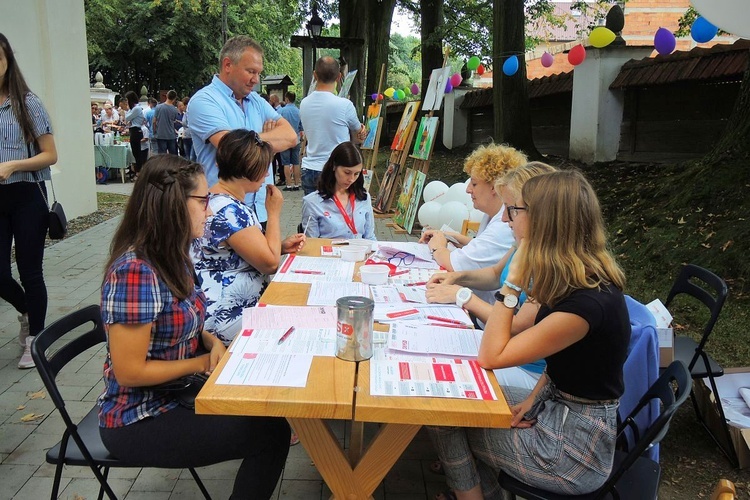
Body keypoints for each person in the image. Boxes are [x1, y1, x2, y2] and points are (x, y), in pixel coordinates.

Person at [428, 169, 630, 499]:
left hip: (573, 453)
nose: (506, 219)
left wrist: (513, 283)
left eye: (515, 210)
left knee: (444, 416)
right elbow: (570, 360)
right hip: (558, 411)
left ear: (544, 220)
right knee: (447, 401)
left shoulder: (586, 303)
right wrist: (533, 399)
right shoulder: (573, 277)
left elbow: (491, 356)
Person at [98, 155, 290, 500]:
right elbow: (128, 372)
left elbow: (188, 318)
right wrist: (202, 363)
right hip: (140, 415)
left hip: (180, 390)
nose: (210, 210)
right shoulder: (136, 271)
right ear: (173, 204)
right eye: (203, 201)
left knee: (268, 398)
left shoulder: (172, 254)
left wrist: (210, 340)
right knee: (272, 433)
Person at [425, 161, 557, 390]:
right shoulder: (525, 243)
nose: (505, 218)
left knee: (442, 381)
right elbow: (496, 274)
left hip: (527, 369)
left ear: (537, 211)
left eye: (511, 209)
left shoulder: (550, 264)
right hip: (502, 351)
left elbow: (515, 326)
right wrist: (457, 279)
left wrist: (463, 296)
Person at [192, 129, 305, 344]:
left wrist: (279, 246)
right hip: (227, 317)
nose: (266, 175)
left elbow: (229, 252)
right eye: (264, 168)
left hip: (213, 309)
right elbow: (270, 264)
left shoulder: (214, 199)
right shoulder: (231, 212)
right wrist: (273, 213)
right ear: (249, 171)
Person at [189, 35, 297, 230]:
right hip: (224, 212)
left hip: (261, 208)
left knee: (266, 259)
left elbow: (291, 137)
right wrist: (265, 143)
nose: (256, 80)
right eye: (251, 71)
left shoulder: (256, 100)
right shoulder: (204, 101)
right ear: (228, 65)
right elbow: (233, 150)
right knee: (264, 261)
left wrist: (249, 141)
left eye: (258, 73)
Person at [0, 33, 58, 369]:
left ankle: (36, 337)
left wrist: (13, 164)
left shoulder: (27, 103)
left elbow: (50, 155)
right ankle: (26, 310)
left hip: (26, 197)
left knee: (29, 270)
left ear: (8, 60)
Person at [419, 144, 526, 286]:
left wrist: (437, 248)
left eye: (474, 184)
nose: (468, 190)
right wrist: (454, 237)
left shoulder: (505, 225)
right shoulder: (496, 216)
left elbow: (455, 265)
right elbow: (486, 249)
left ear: (495, 186)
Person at [299, 56, 366, 195]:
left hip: (310, 167)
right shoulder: (344, 105)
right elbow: (358, 132)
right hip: (336, 170)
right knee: (336, 215)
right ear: (339, 77)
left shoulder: (304, 103)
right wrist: (362, 130)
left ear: (315, 75)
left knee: (314, 215)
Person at [301, 142, 375, 241]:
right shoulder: (312, 202)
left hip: (359, 253)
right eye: (347, 172)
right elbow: (312, 244)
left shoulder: (364, 197)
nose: (351, 179)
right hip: (328, 255)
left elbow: (370, 237)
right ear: (334, 166)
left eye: (356, 174)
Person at [277, 91, 302, 191]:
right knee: (296, 162)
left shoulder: (282, 111)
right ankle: (296, 184)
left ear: (287, 99)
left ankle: (288, 184)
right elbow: (301, 127)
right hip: (296, 139)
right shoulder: (298, 111)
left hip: (284, 140)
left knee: (286, 163)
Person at [124, 91, 147, 175]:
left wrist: (126, 112)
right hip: (134, 130)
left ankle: (139, 172)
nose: (126, 102)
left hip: (136, 131)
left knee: (137, 152)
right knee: (135, 152)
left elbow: (127, 118)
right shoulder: (134, 109)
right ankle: (138, 171)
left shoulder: (136, 108)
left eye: (127, 100)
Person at [153, 90, 179, 154]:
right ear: (174, 98)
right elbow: (174, 121)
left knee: (162, 156)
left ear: (167, 96)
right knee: (173, 156)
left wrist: (154, 131)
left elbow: (154, 121)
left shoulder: (158, 107)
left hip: (160, 134)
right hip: (171, 135)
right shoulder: (175, 110)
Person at [180, 96, 194, 161]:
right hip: (185, 137)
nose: (181, 107)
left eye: (182, 105)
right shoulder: (185, 114)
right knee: (187, 156)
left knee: (192, 157)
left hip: (191, 137)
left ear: (186, 105)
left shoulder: (191, 113)